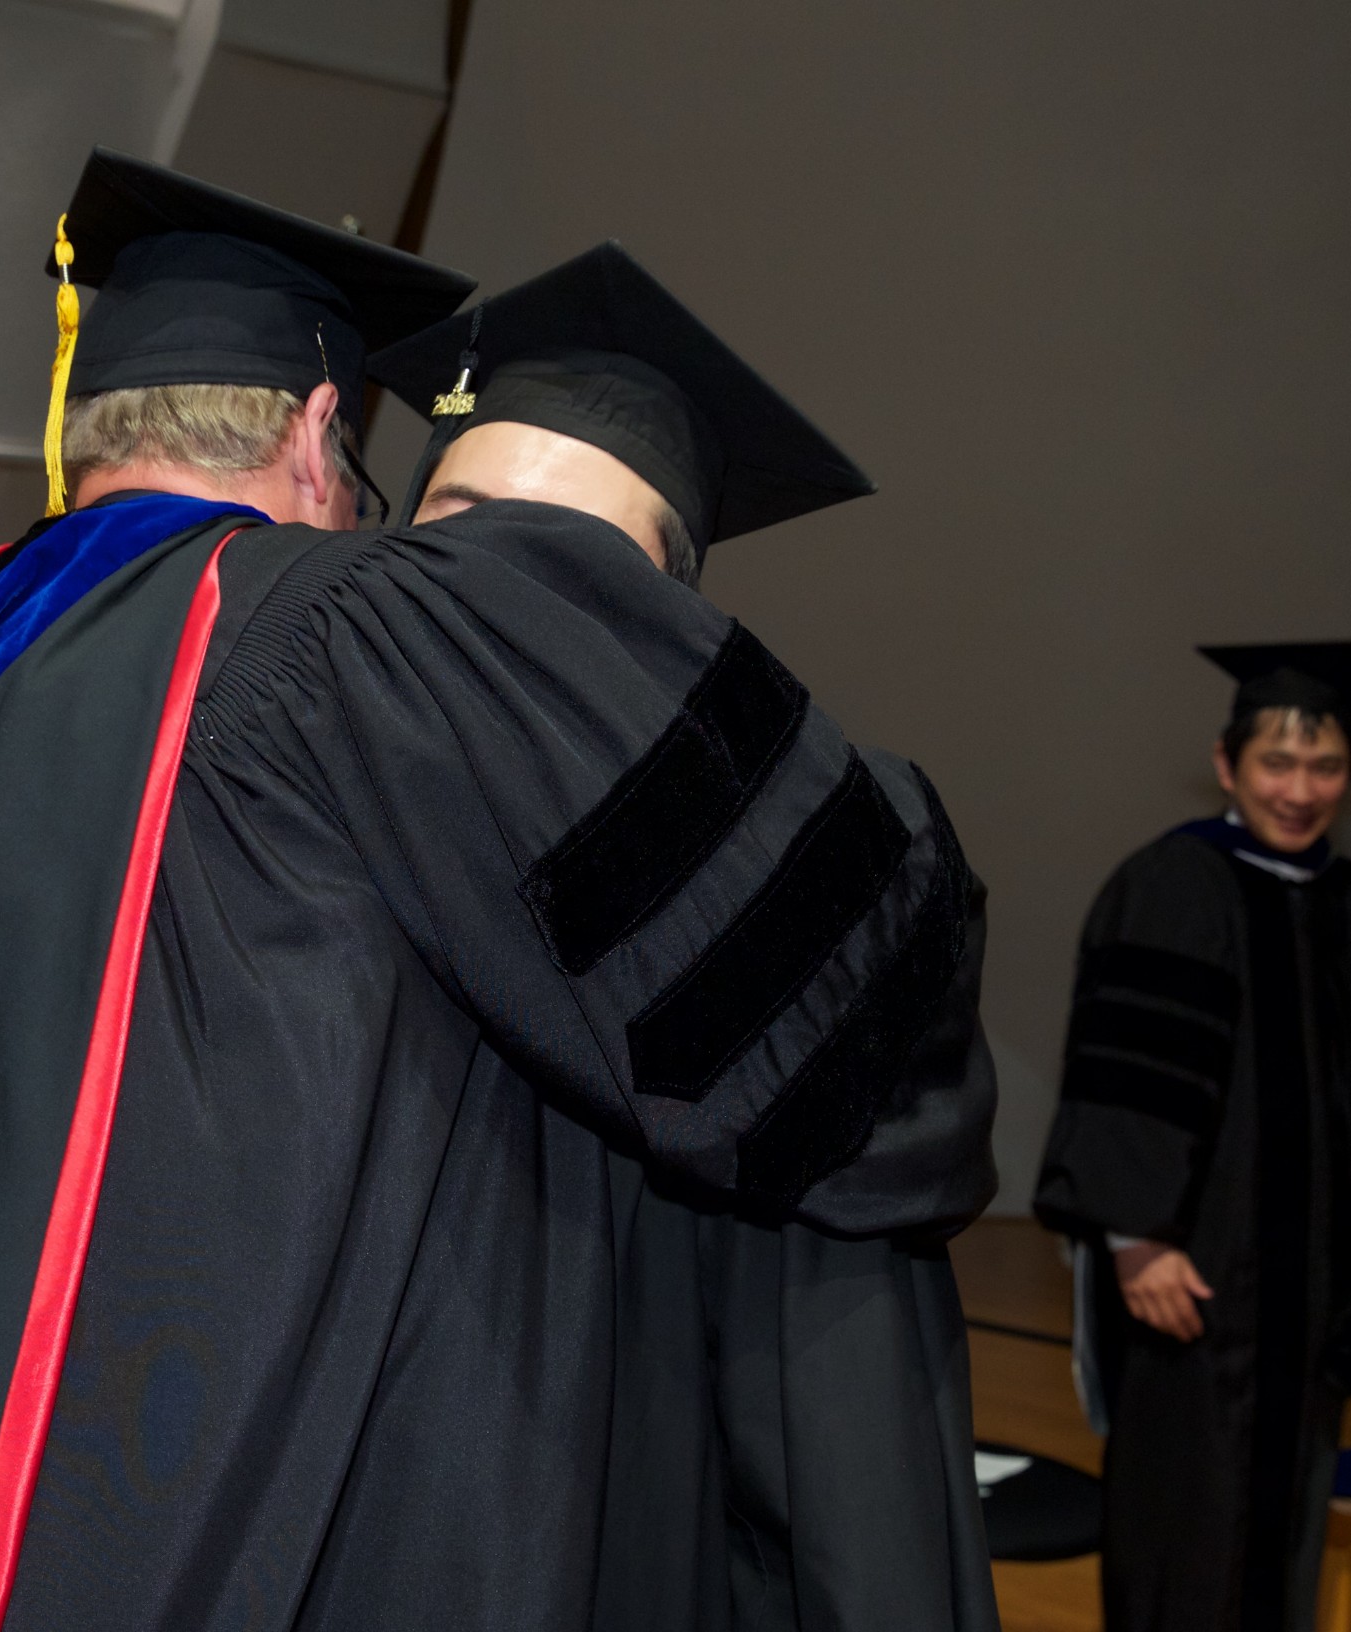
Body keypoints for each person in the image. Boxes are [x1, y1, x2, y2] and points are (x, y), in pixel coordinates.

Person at [0, 154, 981, 1632]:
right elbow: (862, 1007)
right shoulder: (360, 638)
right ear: (318, 438)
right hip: (172, 1487)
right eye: (451, 526)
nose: (504, 592)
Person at [373, 242, 1000, 1628]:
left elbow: (845, 1501)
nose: (495, 595)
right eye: (460, 528)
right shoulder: (284, 816)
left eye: (574, 558)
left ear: (669, 620)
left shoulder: (781, 969)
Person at [1034, 642, 1351, 1632]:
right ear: (1226, 763)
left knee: (1287, 1523)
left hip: (1311, 1289)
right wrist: (1134, 1237)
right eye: (1276, 763)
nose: (1300, 791)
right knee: (1187, 1511)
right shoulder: (1175, 883)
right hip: (1197, 1279)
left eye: (1325, 766)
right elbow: (1125, 1070)